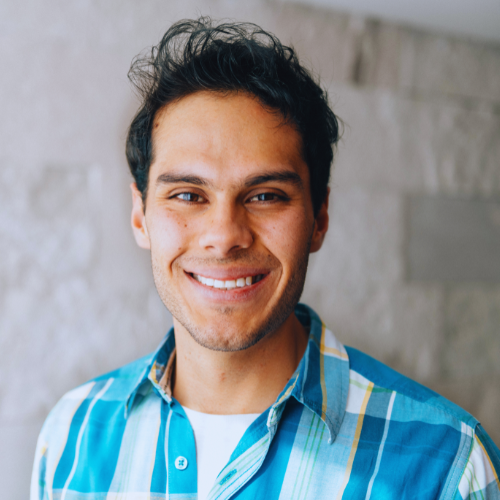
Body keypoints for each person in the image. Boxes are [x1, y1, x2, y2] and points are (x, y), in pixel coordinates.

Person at [31, 17, 499, 500]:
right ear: (140, 215)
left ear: (319, 217)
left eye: (266, 196)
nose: (224, 237)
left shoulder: (449, 467)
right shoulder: (71, 435)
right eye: (188, 195)